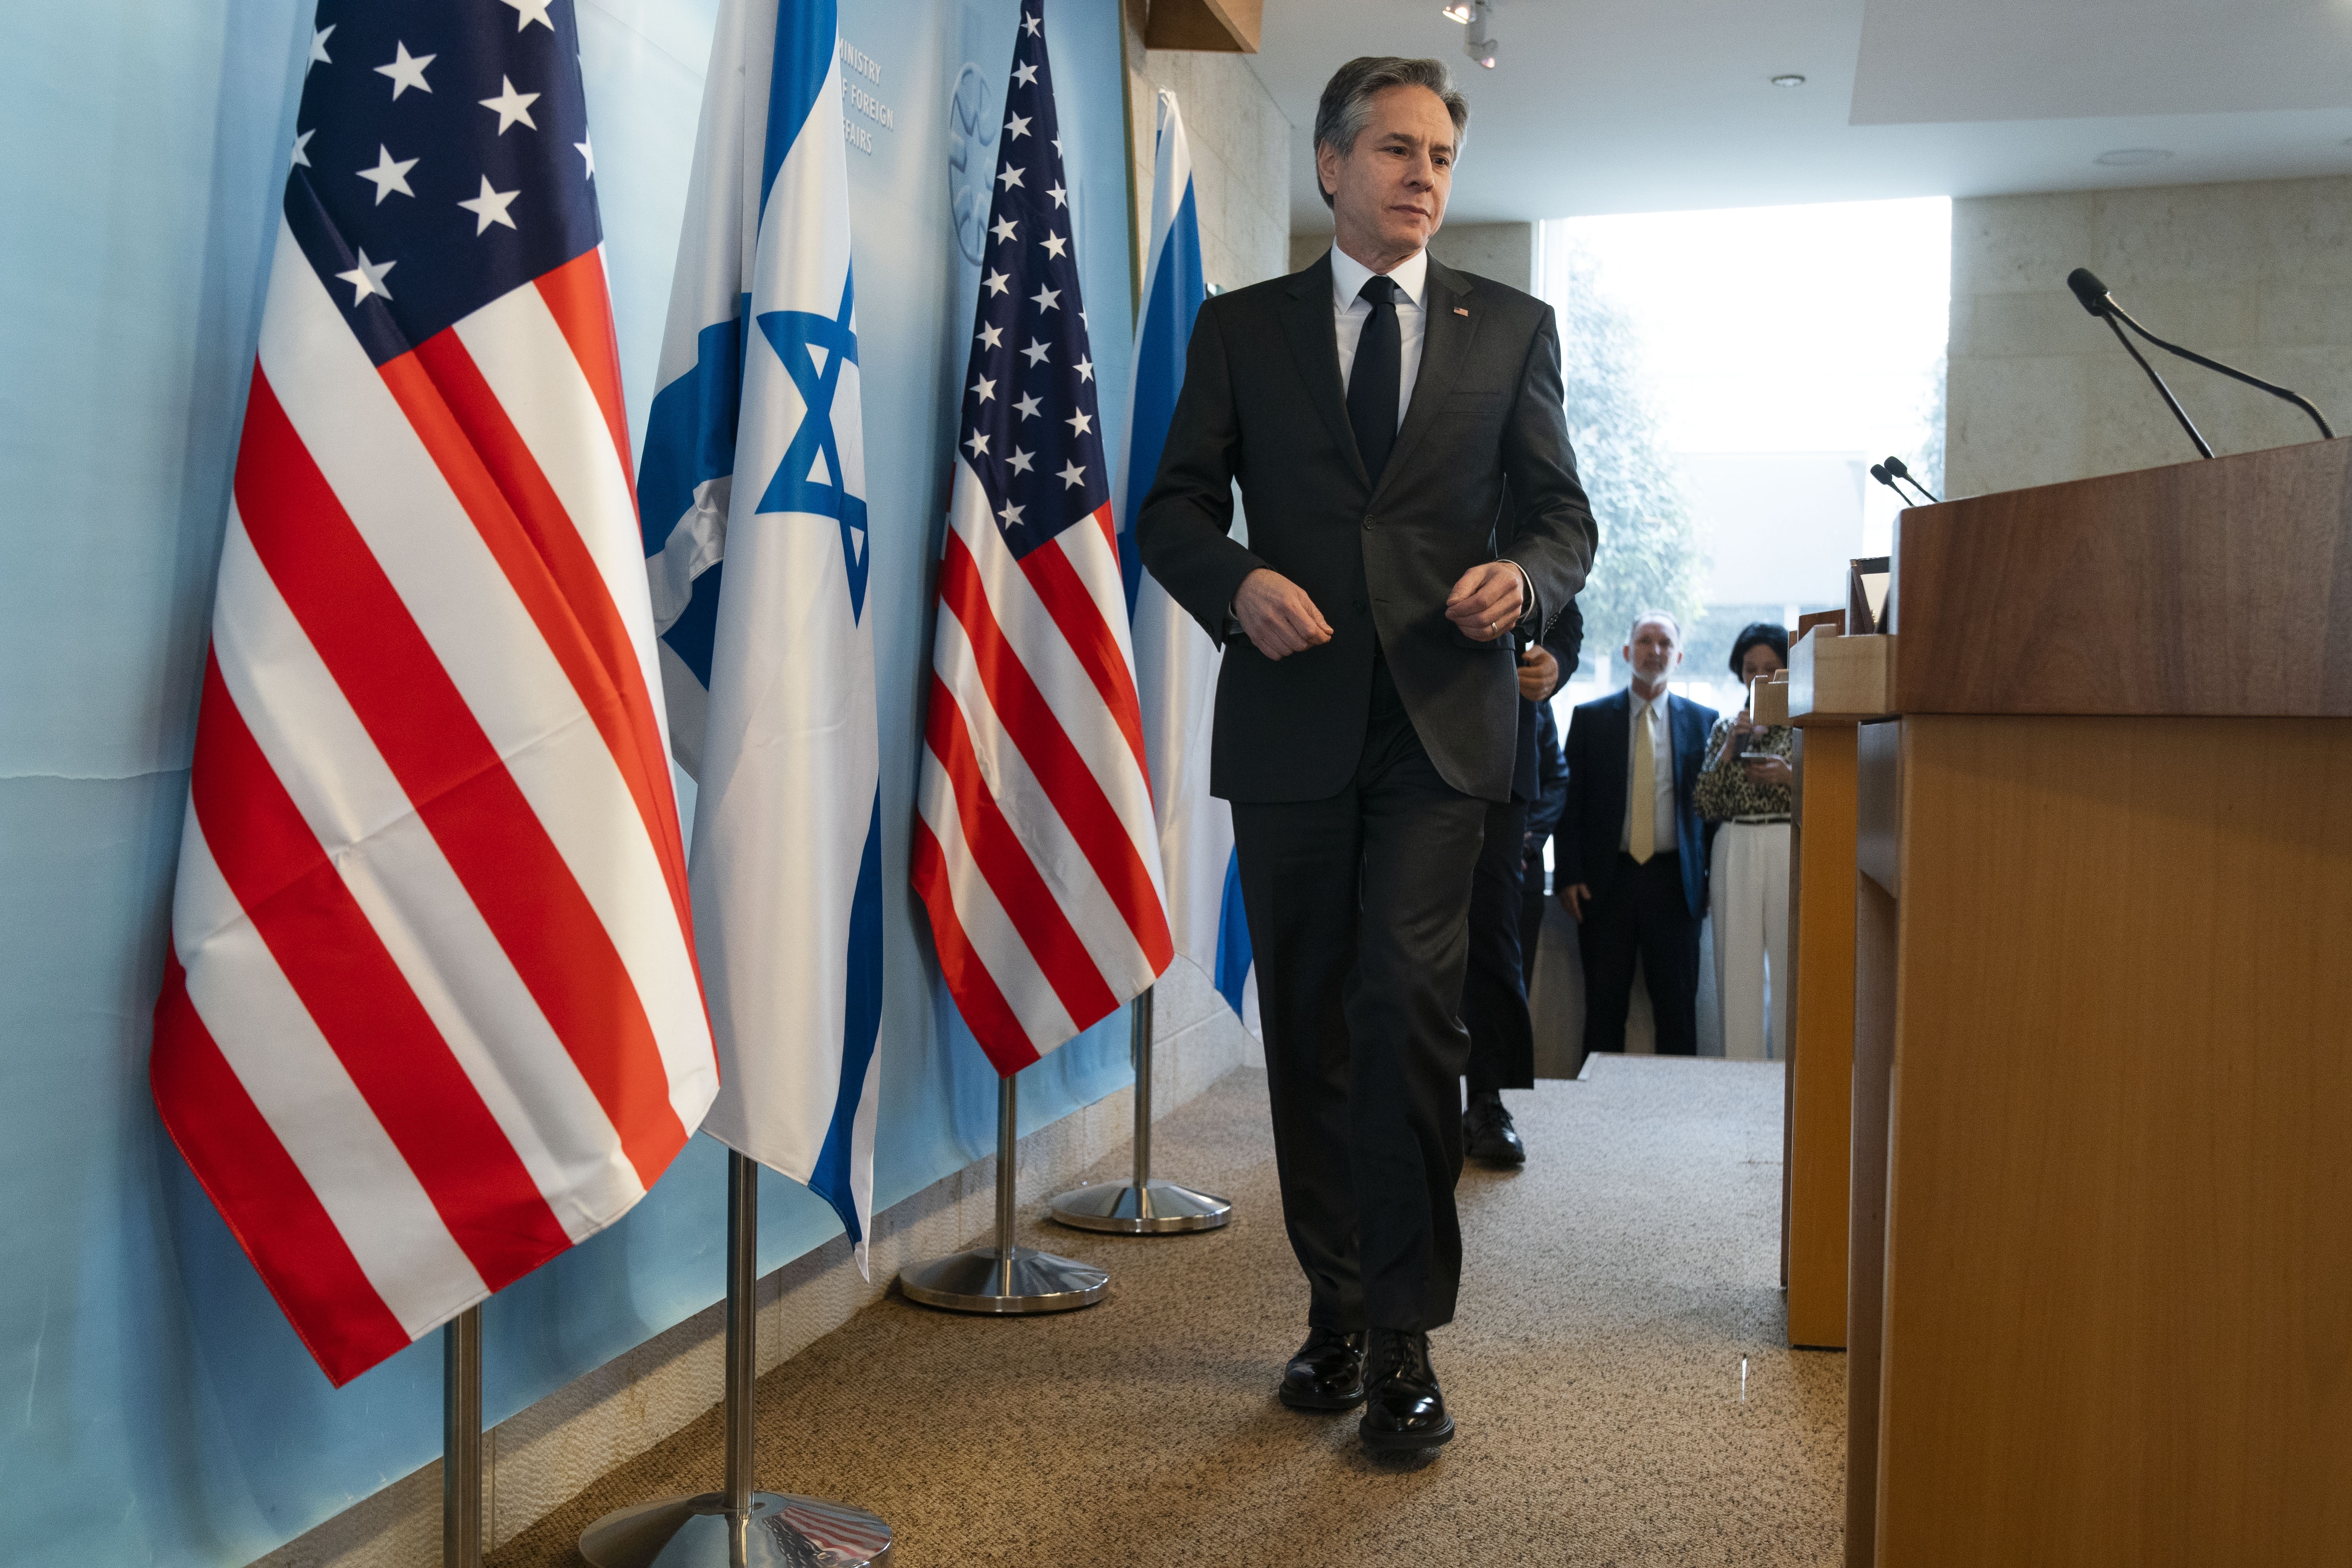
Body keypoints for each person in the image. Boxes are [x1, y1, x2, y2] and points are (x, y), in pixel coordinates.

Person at [1137, 54, 1598, 1455]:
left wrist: (1524, 579)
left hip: (1444, 729)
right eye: (1395, 150)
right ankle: (1332, 1306)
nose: (1421, 177)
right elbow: (1168, 512)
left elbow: (1559, 521)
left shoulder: (1508, 328)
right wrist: (1235, 584)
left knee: (1408, 1011)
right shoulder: (1240, 327)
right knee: (1315, 1027)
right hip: (1292, 722)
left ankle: (1403, 1338)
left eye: (1440, 158)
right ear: (1330, 165)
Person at [1556, 612, 1718, 1056]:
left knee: (1677, 1008)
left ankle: (1675, 1113)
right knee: (1605, 1006)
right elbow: (1569, 803)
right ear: (1628, 652)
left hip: (1676, 884)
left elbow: (1714, 811)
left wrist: (1711, 880)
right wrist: (1568, 872)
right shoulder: (1590, 719)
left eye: (1665, 643)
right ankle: (1600, 1109)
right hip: (1608, 882)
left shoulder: (1705, 722)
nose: (1655, 651)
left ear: (1679, 656)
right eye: (1645, 641)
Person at [1461, 602, 1580, 1168]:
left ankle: (1486, 1099)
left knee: (1493, 939)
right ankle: (1394, 1100)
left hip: (1502, 746)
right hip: (1394, 726)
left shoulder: (1523, 515)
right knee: (1388, 932)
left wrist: (1557, 661)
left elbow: (1566, 615)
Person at [1695, 624, 1795, 1060]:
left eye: (1771, 668)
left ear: (1788, 672)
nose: (1760, 677)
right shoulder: (1723, 729)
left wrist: (1791, 777)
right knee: (1736, 965)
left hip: (1788, 838)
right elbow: (1703, 803)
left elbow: (1836, 791)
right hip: (1734, 842)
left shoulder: (1805, 726)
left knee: (1793, 964)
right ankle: (1739, 1070)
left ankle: (1795, 1077)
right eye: (1751, 669)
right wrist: (1730, 749)